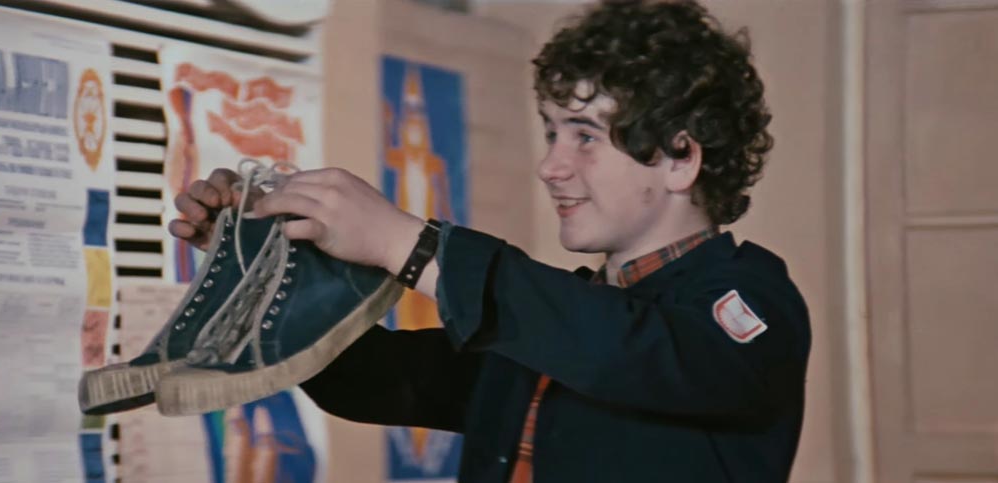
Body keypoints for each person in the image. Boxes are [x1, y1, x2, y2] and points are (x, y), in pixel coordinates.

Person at [168, 1, 811, 481]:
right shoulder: (548, 324)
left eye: (585, 136)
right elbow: (379, 381)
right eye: (551, 132)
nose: (550, 166)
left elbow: (629, 352)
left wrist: (410, 244)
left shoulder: (753, 305)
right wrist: (266, 264)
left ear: (680, 158)